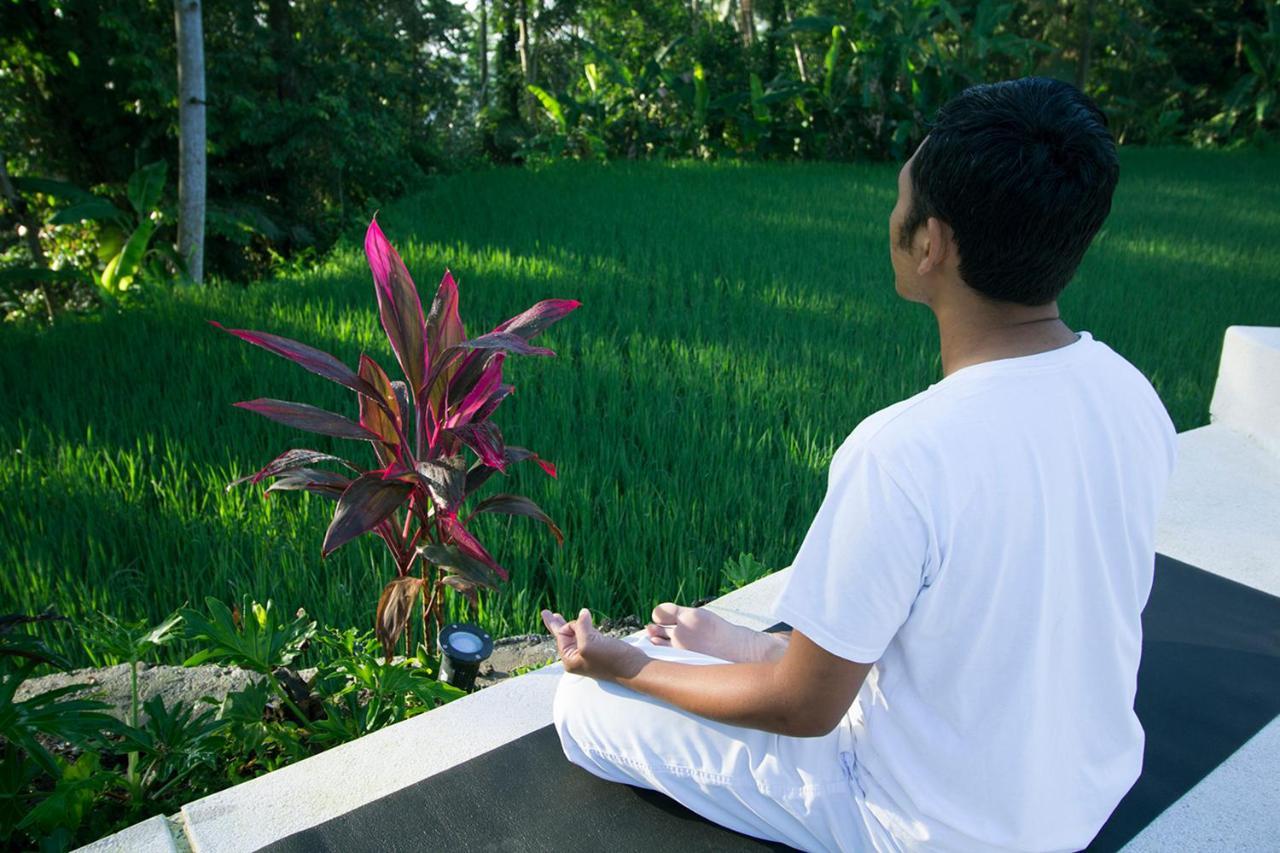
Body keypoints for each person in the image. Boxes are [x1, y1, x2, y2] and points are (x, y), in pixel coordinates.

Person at [540, 76, 1177, 852]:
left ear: (931, 242)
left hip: (926, 822)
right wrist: (743, 642)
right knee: (729, 651)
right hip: (1081, 794)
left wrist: (623, 665)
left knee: (580, 711)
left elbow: (805, 710)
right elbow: (986, 628)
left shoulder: (906, 449)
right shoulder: (1129, 391)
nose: (891, 216)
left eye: (899, 197)